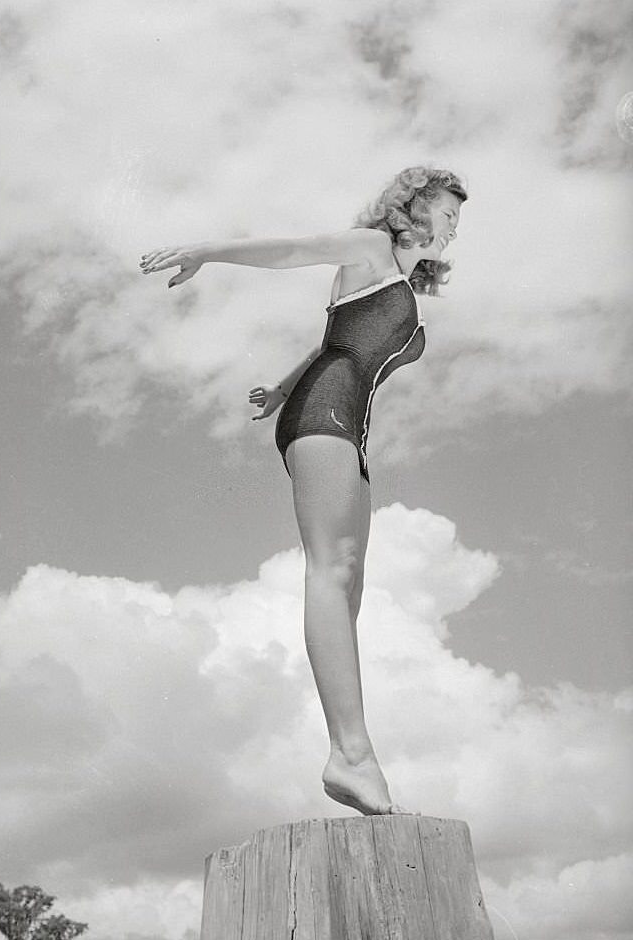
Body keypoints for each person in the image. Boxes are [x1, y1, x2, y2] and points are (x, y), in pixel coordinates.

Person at [140, 166, 467, 815]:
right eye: (447, 210)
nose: (455, 226)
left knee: (349, 588)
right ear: (412, 204)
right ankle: (350, 754)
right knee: (331, 569)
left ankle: (352, 751)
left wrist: (282, 389)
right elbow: (293, 250)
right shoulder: (371, 246)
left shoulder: (395, 276)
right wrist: (207, 249)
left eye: (459, 217)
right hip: (326, 417)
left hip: (341, 417)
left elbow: (332, 340)